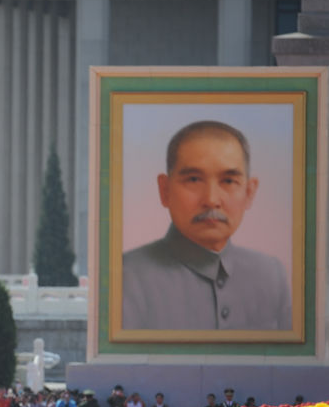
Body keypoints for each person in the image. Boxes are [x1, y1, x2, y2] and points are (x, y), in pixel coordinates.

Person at [122, 120, 291, 331]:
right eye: (194, 179)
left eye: (228, 181)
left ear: (249, 192)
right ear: (165, 190)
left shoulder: (271, 275)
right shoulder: (125, 277)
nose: (211, 200)